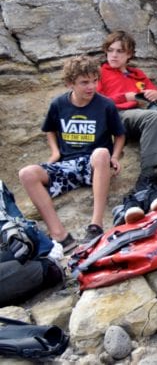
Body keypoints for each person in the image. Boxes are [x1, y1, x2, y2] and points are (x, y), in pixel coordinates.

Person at [18, 55, 125, 252]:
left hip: (93, 165)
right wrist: (55, 152)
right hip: (66, 166)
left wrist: (115, 156)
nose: (91, 87)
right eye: (84, 82)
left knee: (102, 152)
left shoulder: (106, 105)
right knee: (26, 173)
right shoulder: (58, 104)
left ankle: (96, 225)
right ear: (70, 83)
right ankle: (61, 236)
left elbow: (119, 135)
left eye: (94, 81)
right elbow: (49, 129)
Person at [98, 31, 157, 192]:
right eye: (110, 50)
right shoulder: (101, 73)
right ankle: (147, 174)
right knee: (154, 116)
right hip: (117, 116)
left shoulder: (137, 74)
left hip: (141, 116)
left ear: (129, 54)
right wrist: (125, 97)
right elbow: (95, 102)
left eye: (120, 51)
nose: (114, 55)